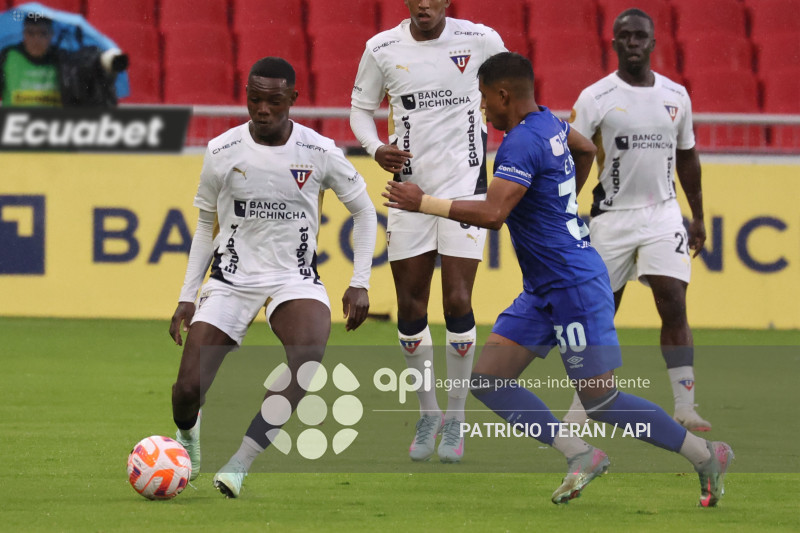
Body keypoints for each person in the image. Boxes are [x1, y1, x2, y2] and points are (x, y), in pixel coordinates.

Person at [383, 52, 732, 507]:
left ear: (504, 95)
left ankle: (706, 454)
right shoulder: (549, 122)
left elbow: (492, 214)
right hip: (545, 287)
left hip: (574, 286)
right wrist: (558, 201)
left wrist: (423, 201)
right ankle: (579, 453)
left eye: (486, 101)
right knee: (488, 379)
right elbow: (585, 149)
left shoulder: (519, 144)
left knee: (601, 401)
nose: (484, 111)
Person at [169, 57, 377, 499]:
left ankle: (240, 463)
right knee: (186, 390)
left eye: (274, 101)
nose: (262, 109)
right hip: (231, 280)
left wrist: (361, 281)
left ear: (293, 100)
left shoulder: (318, 151)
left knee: (307, 357)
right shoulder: (222, 151)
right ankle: (189, 441)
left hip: (293, 278)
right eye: (254, 99)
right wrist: (188, 296)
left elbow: (364, 211)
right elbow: (206, 225)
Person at [349, 0, 506, 463]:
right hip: (408, 192)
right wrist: (377, 148)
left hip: (467, 189)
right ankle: (429, 412)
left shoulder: (480, 40)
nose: (424, 3)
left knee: (458, 299)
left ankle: (456, 417)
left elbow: (512, 92)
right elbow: (360, 110)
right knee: (410, 305)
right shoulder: (381, 47)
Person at [562, 8, 711, 432]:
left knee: (674, 303)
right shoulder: (595, 97)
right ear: (612, 43)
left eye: (639, 36)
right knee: (600, 317)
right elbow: (579, 155)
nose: (632, 42)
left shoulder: (676, 96)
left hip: (663, 214)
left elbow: (688, 158)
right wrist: (565, 206)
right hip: (611, 219)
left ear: (652, 43)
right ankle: (579, 410)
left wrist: (696, 216)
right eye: (624, 36)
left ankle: (685, 405)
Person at [0, 14, 127, 107]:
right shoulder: (7, 57)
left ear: (51, 35)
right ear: (23, 34)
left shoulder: (65, 61)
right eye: (30, 33)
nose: (36, 39)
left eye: (42, 33)